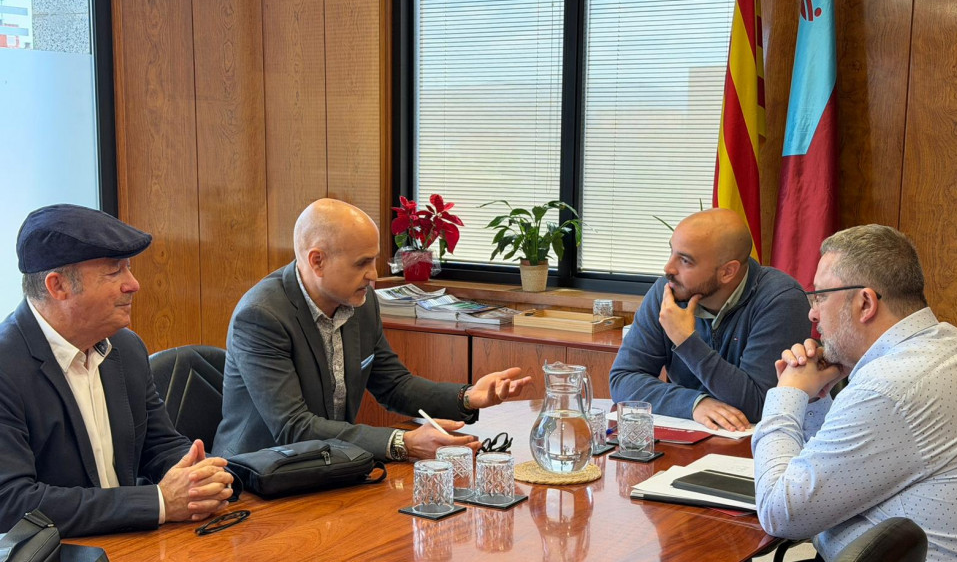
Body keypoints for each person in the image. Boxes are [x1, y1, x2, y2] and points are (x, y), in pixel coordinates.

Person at [213, 199, 531, 461]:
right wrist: (402, 442)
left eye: (375, 260)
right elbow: (293, 428)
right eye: (361, 263)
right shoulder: (260, 316)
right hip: (257, 477)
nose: (373, 275)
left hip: (328, 467)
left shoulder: (361, 303)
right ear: (317, 261)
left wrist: (468, 396)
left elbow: (394, 386)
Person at [0, 204, 235, 537]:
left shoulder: (125, 348)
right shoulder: (6, 366)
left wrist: (201, 477)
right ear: (58, 286)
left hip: (135, 543)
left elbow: (161, 446)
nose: (134, 284)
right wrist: (159, 502)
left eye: (129, 268)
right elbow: (12, 504)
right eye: (115, 272)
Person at [753, 225, 957, 560]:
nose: (812, 313)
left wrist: (787, 392)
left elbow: (779, 513)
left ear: (865, 303)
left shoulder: (888, 387)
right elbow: (836, 475)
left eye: (820, 296)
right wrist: (815, 399)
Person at [609, 209, 812, 429]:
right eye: (672, 252)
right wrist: (694, 404)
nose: (668, 268)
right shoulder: (668, 292)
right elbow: (623, 379)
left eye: (685, 261)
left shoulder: (780, 299)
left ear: (728, 272)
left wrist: (687, 341)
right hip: (689, 440)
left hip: (755, 448)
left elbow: (760, 404)